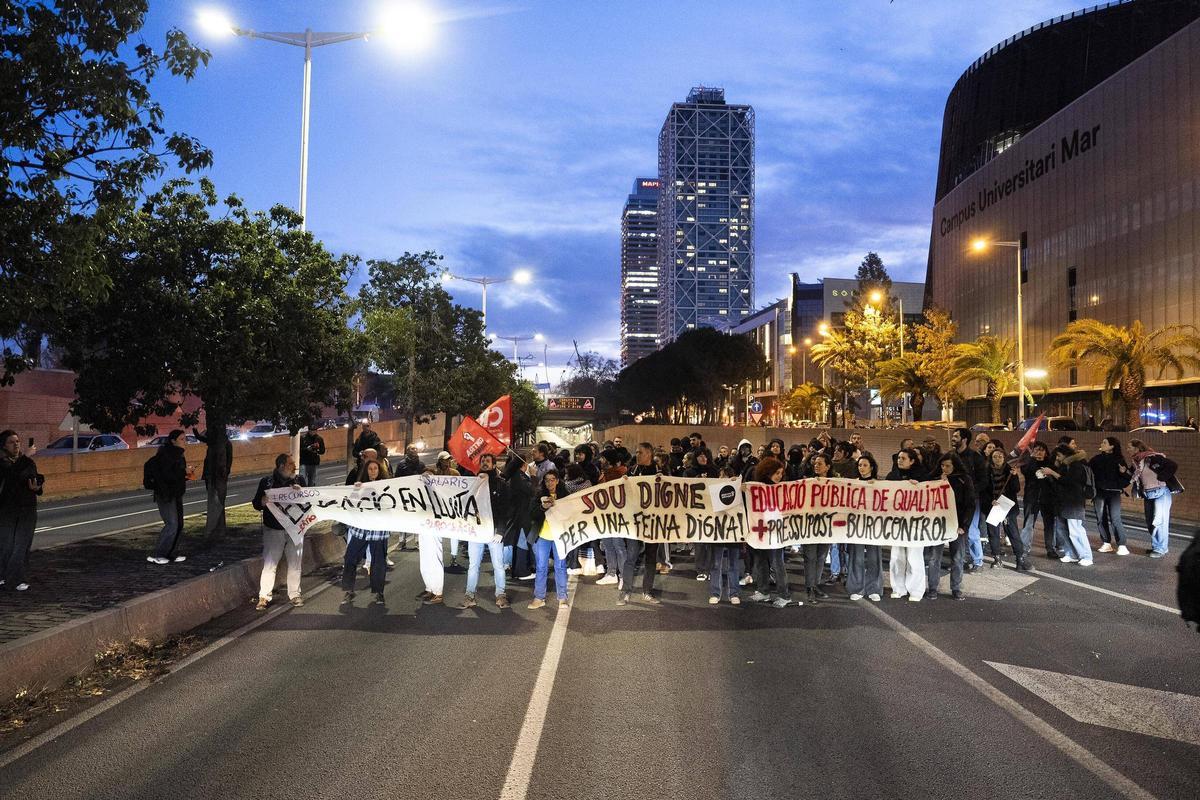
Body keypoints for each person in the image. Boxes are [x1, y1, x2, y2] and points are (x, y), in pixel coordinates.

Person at [251, 453, 308, 610]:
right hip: (273, 529)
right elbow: (256, 504)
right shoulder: (267, 482)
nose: (294, 466)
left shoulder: (299, 481)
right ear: (281, 466)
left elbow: (307, 502)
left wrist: (300, 492)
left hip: (294, 529)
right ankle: (264, 596)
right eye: (291, 464)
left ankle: (295, 594)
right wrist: (262, 501)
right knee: (270, 563)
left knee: (295, 563)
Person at [460, 452, 511, 609]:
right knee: (473, 565)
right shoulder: (473, 482)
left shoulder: (501, 484)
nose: (484, 463)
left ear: (494, 465)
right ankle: (470, 595)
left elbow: (505, 509)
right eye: (482, 460)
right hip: (476, 531)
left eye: (488, 461)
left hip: (494, 531)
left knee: (498, 565)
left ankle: (500, 594)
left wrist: (501, 531)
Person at [747, 458, 797, 608]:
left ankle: (784, 595)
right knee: (761, 562)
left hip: (776, 533)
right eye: (776, 473)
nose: (779, 476)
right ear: (767, 472)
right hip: (761, 532)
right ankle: (763, 591)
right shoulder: (756, 488)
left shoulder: (783, 489)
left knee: (777, 564)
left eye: (781, 473)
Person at [340, 459, 391, 607]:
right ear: (366, 471)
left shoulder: (387, 487)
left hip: (378, 531)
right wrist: (355, 491)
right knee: (350, 559)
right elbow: (350, 504)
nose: (373, 471)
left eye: (375, 468)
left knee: (379, 563)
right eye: (370, 469)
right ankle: (349, 590)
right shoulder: (359, 486)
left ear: (379, 470)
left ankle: (379, 592)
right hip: (360, 530)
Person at [925, 453, 974, 600]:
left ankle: (956, 588)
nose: (944, 468)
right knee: (934, 558)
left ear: (955, 466)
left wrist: (964, 525)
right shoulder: (935, 479)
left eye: (948, 466)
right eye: (942, 465)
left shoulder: (964, 480)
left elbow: (970, 504)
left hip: (957, 524)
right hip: (938, 525)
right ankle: (933, 588)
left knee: (957, 558)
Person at [0, 430, 43, 592]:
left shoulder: (26, 462)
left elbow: (34, 476)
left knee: (22, 546)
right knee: (6, 545)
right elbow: (11, 476)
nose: (16, 444)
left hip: (27, 509)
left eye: (18, 441)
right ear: (4, 445)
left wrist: (37, 487)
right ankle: (4, 576)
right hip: (8, 510)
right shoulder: (3, 463)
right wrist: (26, 456)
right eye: (12, 442)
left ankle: (18, 579)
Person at [620, 442, 661, 606]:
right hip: (635, 522)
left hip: (654, 523)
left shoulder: (661, 472)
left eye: (640, 452)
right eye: (636, 452)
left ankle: (647, 591)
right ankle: (626, 591)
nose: (637, 455)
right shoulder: (632, 470)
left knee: (651, 559)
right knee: (631, 557)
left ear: (650, 453)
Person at [1040, 444, 1094, 566]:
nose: (1057, 458)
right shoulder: (1064, 466)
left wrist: (1053, 473)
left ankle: (1086, 556)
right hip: (1062, 501)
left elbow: (1070, 481)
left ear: (1065, 454)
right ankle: (1071, 553)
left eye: (1059, 455)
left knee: (1076, 530)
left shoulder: (1076, 465)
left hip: (1074, 502)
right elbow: (1059, 483)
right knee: (1061, 529)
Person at [885, 448, 927, 601]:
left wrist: (918, 487)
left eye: (903, 458)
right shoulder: (892, 476)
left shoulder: (922, 477)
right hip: (897, 523)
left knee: (914, 557)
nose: (899, 460)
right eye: (898, 458)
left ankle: (916, 590)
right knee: (897, 557)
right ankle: (898, 588)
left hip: (915, 524)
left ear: (912, 461)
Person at [143, 430, 189, 565]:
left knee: (179, 524)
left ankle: (171, 553)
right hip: (165, 494)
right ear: (173, 441)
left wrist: (184, 475)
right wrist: (183, 472)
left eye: (185, 439)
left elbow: (177, 476)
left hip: (176, 493)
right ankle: (159, 554)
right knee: (172, 524)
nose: (184, 441)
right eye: (181, 439)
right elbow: (167, 476)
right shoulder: (167, 455)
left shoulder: (179, 456)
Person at [1130, 439, 1181, 558]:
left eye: (1129, 447)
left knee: (1159, 521)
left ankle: (1160, 548)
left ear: (1137, 449)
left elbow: (1172, 465)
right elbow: (1132, 476)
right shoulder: (1136, 462)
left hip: (1162, 492)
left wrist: (1162, 477)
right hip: (1148, 494)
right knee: (1150, 521)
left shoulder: (1152, 458)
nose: (1127, 449)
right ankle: (1157, 546)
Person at [981, 448, 1028, 570]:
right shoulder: (986, 471)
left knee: (1013, 533)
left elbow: (1016, 489)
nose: (998, 459)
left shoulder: (1010, 471)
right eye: (995, 456)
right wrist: (990, 501)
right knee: (993, 534)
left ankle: (1020, 559)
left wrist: (1013, 476)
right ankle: (997, 559)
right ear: (991, 458)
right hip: (993, 506)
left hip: (1007, 507)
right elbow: (983, 490)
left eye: (1000, 456)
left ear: (1004, 458)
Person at [528, 470, 569, 609]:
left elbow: (573, 513)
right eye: (547, 480)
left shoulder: (565, 496)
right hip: (543, 536)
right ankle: (539, 597)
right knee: (541, 567)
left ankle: (562, 597)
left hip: (560, 536)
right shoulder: (539, 495)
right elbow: (532, 514)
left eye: (552, 479)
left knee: (561, 566)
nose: (550, 482)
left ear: (557, 480)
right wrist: (542, 507)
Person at [846, 454, 883, 601]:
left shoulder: (879, 484)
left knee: (874, 557)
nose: (862, 468)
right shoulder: (852, 483)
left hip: (875, 526)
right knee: (857, 557)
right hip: (857, 525)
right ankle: (857, 588)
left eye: (865, 465)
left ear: (871, 467)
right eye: (860, 465)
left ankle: (874, 588)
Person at [951, 429, 987, 572]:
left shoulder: (975, 458)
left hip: (971, 501)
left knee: (971, 530)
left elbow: (983, 481)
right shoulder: (951, 456)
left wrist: (971, 492)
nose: (953, 438)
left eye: (956, 436)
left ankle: (978, 561)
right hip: (954, 501)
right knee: (956, 530)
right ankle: (961, 559)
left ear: (964, 439)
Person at [1089, 437, 1131, 555]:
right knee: (1100, 517)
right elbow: (1088, 472)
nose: (1101, 444)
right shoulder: (1096, 459)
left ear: (1112, 446)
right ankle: (1106, 542)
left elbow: (1127, 478)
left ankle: (1122, 544)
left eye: (1104, 442)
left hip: (1114, 492)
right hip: (1099, 492)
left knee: (1115, 518)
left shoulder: (1119, 459)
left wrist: (1123, 473)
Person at [802, 453, 834, 604]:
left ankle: (815, 585)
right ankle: (810, 588)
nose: (816, 465)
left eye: (820, 463)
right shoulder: (806, 482)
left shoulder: (836, 484)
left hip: (826, 526)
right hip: (809, 525)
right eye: (815, 463)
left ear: (828, 467)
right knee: (810, 557)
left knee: (821, 557)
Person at [1020, 442, 1059, 557]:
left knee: (1049, 524)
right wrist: (1032, 459)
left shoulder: (1051, 464)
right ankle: (1024, 548)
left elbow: (1055, 480)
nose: (1039, 452)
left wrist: (1049, 476)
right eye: (1036, 450)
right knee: (1028, 523)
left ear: (1046, 452)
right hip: (1032, 498)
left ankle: (1050, 549)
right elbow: (1026, 471)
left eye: (1042, 450)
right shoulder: (1029, 462)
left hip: (1048, 498)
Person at [503, 454, 535, 580]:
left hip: (517, 514)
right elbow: (532, 491)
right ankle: (521, 571)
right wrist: (533, 476)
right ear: (524, 465)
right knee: (521, 543)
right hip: (521, 516)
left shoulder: (513, 477)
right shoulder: (518, 478)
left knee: (519, 542)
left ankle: (520, 568)